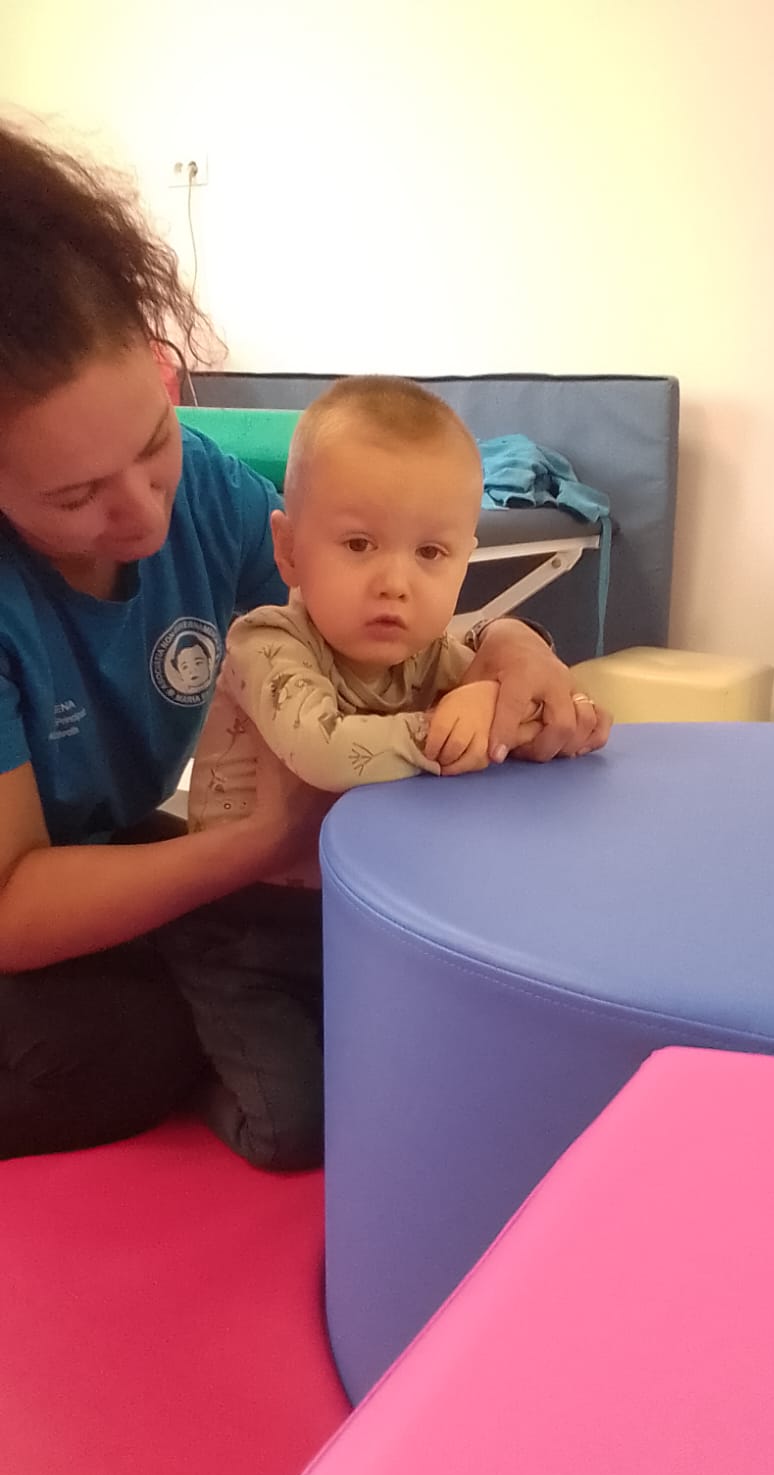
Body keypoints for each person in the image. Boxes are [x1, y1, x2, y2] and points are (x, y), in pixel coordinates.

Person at [0, 119, 611, 1161]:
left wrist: (510, 650)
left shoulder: (212, 498)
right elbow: (14, 905)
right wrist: (255, 845)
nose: (142, 512)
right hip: (23, 894)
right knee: (125, 1043)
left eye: (153, 445)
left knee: (326, 983)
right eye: (74, 497)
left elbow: (359, 627)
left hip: (98, 846)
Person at [168, 376, 589, 1170]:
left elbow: (542, 717)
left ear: (464, 562)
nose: (396, 581)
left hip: (363, 925)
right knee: (294, 1130)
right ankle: (192, 1075)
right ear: (289, 549)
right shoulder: (266, 642)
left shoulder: (435, 658)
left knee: (430, 1090)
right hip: (241, 932)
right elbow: (323, 749)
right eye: (359, 545)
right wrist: (453, 728)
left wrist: (538, 709)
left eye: (430, 553)